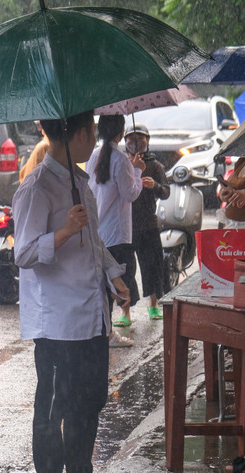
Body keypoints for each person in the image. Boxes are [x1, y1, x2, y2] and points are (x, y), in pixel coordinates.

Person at [13, 110, 130, 473]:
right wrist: (62, 231)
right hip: (57, 318)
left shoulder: (82, 182)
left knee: (90, 397)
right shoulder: (36, 188)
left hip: (91, 313)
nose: (95, 140)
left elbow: (95, 243)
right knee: (54, 403)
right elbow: (23, 253)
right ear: (77, 134)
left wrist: (114, 275)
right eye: (92, 133)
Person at [85, 114, 143, 347]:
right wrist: (137, 171)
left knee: (102, 284)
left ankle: (103, 331)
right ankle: (108, 335)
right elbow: (130, 194)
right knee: (116, 285)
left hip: (99, 232)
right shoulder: (120, 159)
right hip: (118, 233)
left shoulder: (93, 156)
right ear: (121, 133)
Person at [123, 124, 169, 319]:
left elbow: (166, 192)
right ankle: (125, 311)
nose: (136, 143)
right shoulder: (122, 164)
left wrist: (155, 185)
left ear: (148, 142)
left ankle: (153, 303)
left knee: (151, 266)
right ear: (125, 142)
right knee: (125, 269)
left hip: (148, 223)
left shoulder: (155, 165)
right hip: (125, 225)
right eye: (131, 139)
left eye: (141, 139)